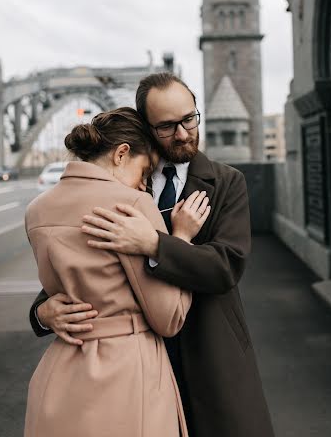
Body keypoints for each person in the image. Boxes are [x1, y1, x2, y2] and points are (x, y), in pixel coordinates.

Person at [30, 73, 275, 437]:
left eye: (189, 119)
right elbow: (78, 260)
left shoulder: (227, 182)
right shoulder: (118, 183)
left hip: (209, 353)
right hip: (132, 364)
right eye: (166, 126)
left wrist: (157, 244)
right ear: (145, 128)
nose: (182, 134)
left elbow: (226, 266)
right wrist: (41, 312)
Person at [24, 107, 211, 437]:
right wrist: (179, 240)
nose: (143, 184)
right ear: (122, 154)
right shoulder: (134, 206)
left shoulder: (37, 210)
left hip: (60, 374)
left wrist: (41, 313)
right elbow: (169, 319)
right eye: (144, 171)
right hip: (126, 376)